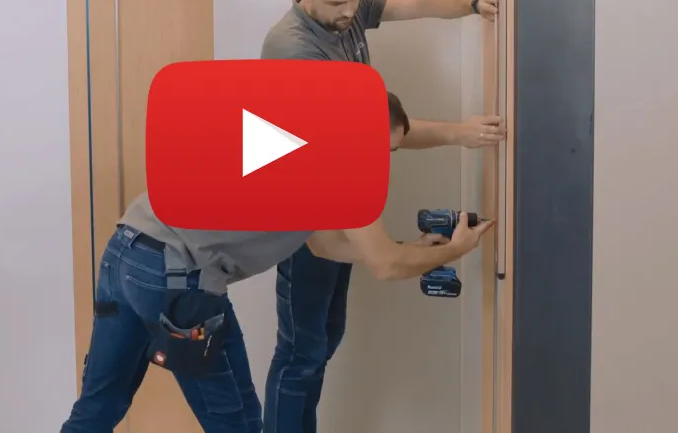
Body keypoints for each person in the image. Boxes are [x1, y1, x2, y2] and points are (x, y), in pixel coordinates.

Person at [59, 91, 495, 433]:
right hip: (177, 278)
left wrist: (411, 249)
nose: (380, 162)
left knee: (98, 408)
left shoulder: (291, 139)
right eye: (381, 149)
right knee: (240, 424)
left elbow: (323, 245)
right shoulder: (339, 167)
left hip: (125, 253)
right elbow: (386, 266)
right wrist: (456, 249)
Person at [260, 0, 507, 433]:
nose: (350, 12)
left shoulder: (349, 8)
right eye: (337, 4)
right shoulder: (294, 51)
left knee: (324, 339)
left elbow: (415, 2)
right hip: (302, 216)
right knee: (302, 352)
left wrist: (474, 1)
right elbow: (366, 138)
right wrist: (458, 134)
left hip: (338, 197)